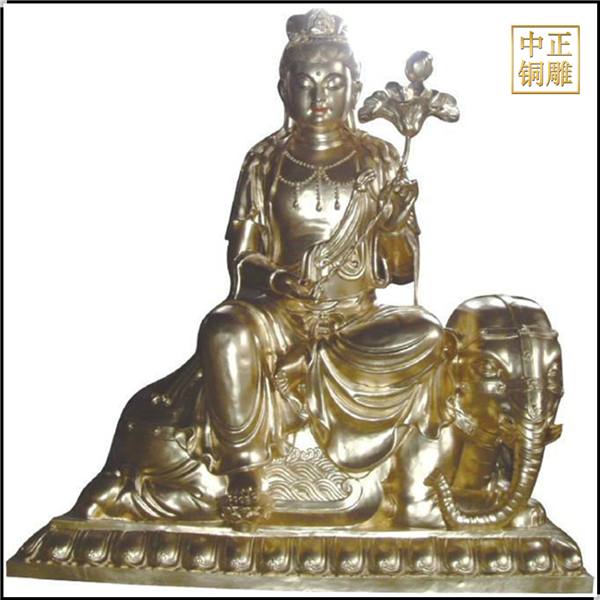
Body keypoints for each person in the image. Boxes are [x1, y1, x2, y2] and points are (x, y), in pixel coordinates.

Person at [69, 9, 448, 531]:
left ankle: (319, 398)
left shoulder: (380, 159)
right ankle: (245, 472)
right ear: (283, 89)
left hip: (355, 318)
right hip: (280, 315)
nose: (319, 97)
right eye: (305, 84)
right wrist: (277, 281)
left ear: (355, 89)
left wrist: (395, 220)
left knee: (427, 330)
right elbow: (242, 263)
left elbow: (401, 273)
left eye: (334, 84)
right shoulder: (265, 160)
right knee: (223, 328)